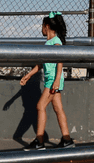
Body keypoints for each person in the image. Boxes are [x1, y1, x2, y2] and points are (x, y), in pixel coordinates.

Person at [19, 12, 74, 150]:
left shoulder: (56, 42)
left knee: (40, 106)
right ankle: (67, 140)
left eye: (42, 26)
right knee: (58, 108)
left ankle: (39, 141)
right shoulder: (48, 43)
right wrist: (29, 75)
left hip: (53, 81)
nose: (41, 29)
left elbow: (60, 60)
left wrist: (56, 80)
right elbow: (41, 63)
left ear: (47, 26)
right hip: (52, 80)